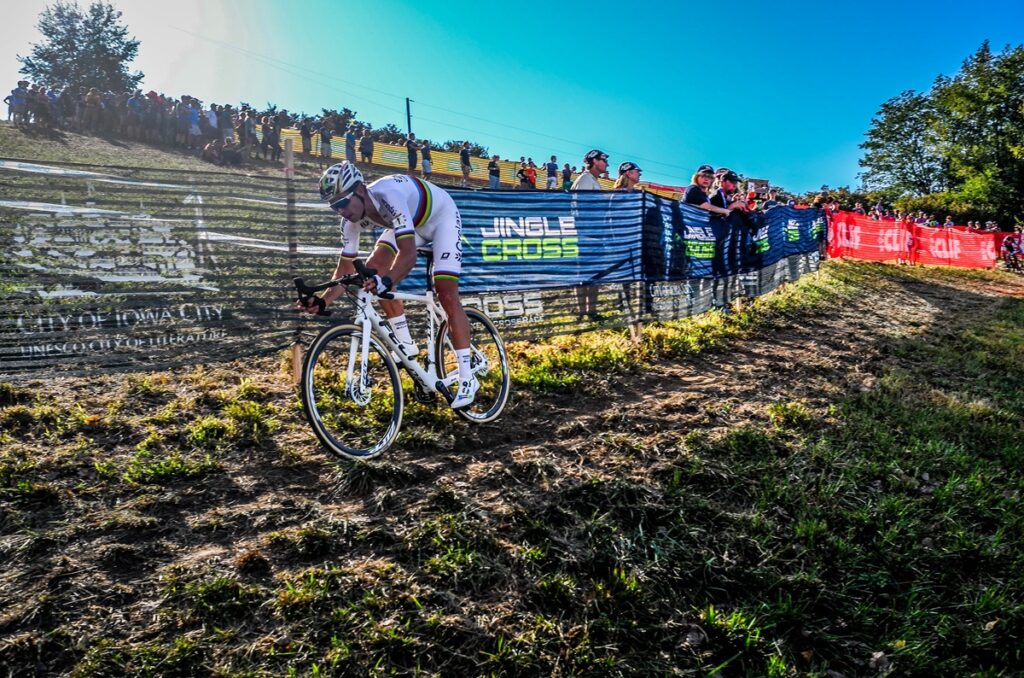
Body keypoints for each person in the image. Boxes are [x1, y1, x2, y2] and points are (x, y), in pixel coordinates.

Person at [305, 162, 479, 408]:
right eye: (334, 206)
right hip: (410, 225)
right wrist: (323, 300)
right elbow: (344, 269)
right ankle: (407, 345)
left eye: (343, 202)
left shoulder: (388, 196)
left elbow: (408, 257)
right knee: (372, 268)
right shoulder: (349, 222)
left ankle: (467, 377)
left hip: (441, 219)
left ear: (361, 190)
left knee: (446, 292)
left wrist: (385, 281)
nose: (340, 211)